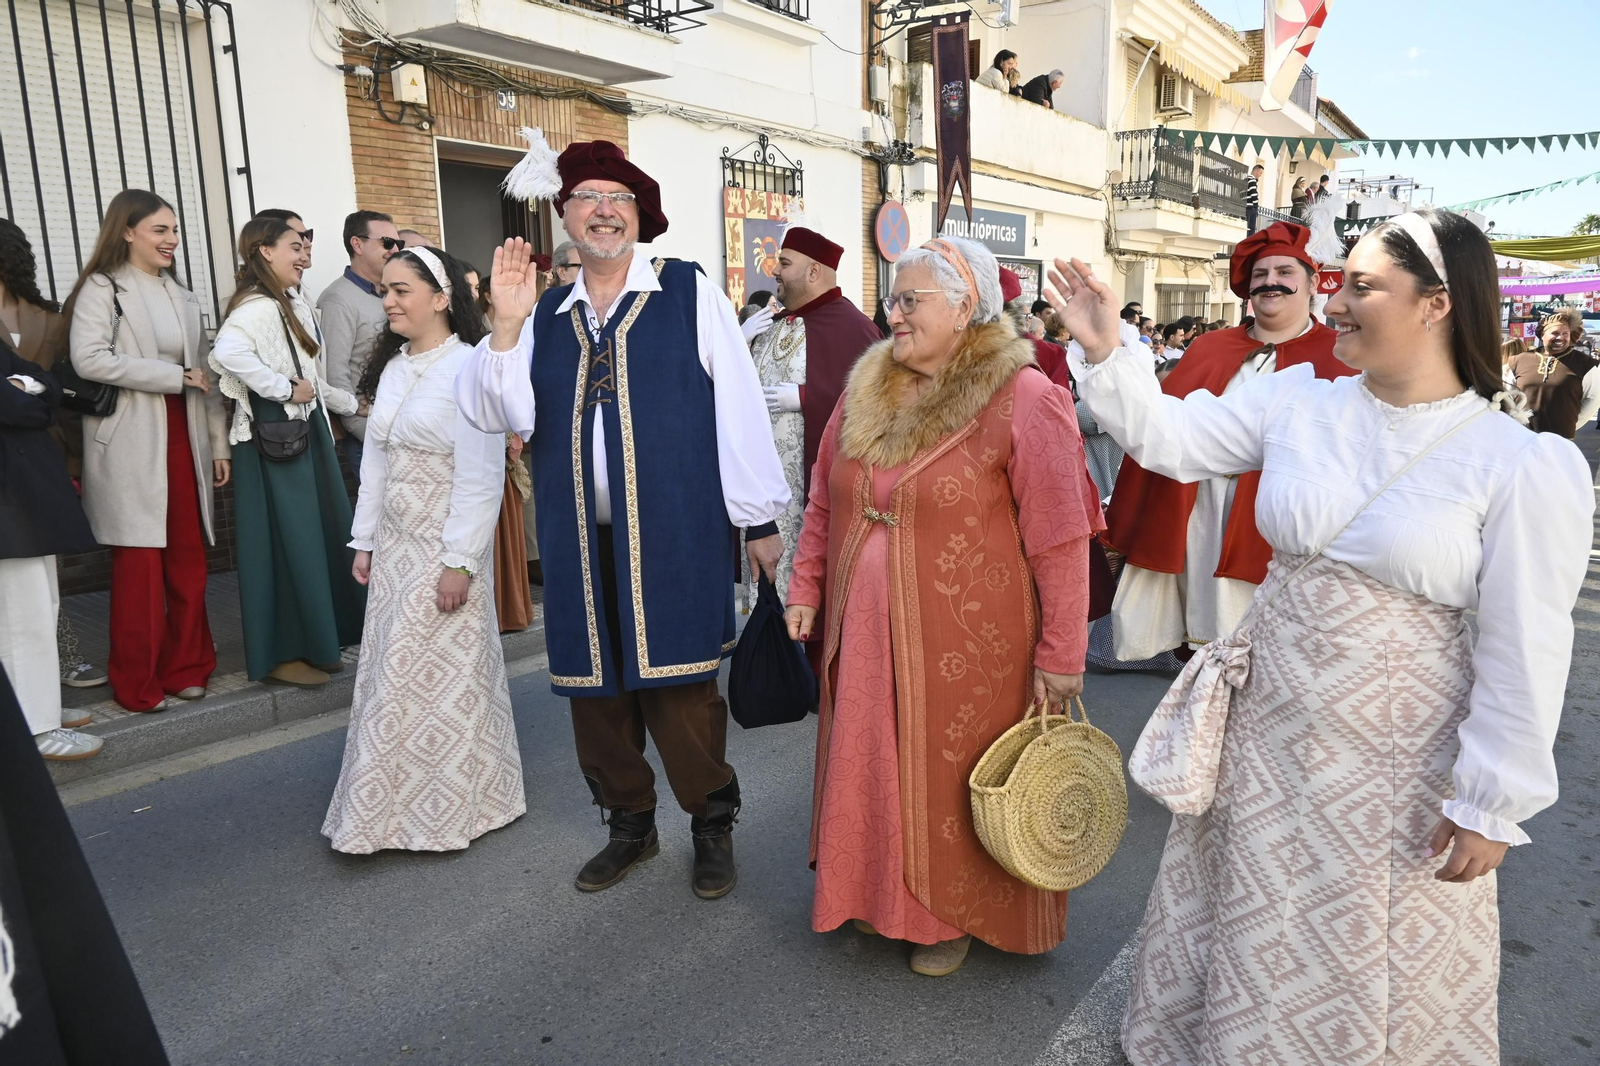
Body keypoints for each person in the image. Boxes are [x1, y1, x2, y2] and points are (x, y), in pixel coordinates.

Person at [1049, 208, 1593, 1066]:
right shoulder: (1298, 402)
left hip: (1400, 772)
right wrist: (1107, 347)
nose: (1334, 303)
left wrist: (1492, 799)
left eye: (1363, 285)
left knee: (1365, 950)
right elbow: (1172, 440)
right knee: (1247, 923)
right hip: (1266, 740)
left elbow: (1525, 647)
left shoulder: (1518, 463)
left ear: (1437, 303)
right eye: (1336, 283)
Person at [460, 135, 789, 899]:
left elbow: (738, 408)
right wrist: (504, 327)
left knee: (681, 692)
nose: (604, 212)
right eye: (589, 199)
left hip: (676, 533)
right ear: (564, 217)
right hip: (579, 543)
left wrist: (760, 522)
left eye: (620, 201)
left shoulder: (688, 291)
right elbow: (491, 410)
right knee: (596, 695)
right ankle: (630, 826)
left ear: (639, 218)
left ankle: (710, 825)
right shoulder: (543, 312)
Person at [783, 236, 1103, 977]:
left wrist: (1062, 655)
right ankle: (874, 893)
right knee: (875, 762)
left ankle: (947, 915)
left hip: (969, 640)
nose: (892, 315)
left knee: (944, 776)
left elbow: (1061, 540)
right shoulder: (869, 384)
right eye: (892, 300)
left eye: (908, 300)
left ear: (965, 308)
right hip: (863, 629)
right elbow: (825, 499)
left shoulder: (1026, 396)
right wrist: (805, 585)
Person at [322, 246, 524, 853]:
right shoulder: (393, 369)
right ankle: (383, 810)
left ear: (440, 298)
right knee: (388, 674)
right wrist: (365, 539)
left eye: (400, 290)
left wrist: (460, 561)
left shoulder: (473, 366)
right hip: (397, 546)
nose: (387, 301)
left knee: (445, 682)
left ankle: (460, 806)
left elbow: (482, 475)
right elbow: (378, 460)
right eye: (384, 290)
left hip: (445, 546)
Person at [1099, 221, 1352, 665]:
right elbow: (1160, 426)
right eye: (1259, 274)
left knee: (1272, 652)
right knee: (1206, 647)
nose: (1270, 281)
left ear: (1312, 282)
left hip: (1276, 523)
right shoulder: (1210, 347)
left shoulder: (1341, 354)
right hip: (1198, 510)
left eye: (1284, 272)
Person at [66, 189, 230, 713]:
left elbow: (205, 376)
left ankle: (187, 669)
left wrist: (218, 443)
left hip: (186, 439)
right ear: (127, 231)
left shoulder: (182, 294)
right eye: (160, 230)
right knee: (138, 568)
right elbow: (88, 358)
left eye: (175, 230)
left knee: (188, 562)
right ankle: (137, 684)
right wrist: (169, 376)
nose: (171, 240)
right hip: (130, 442)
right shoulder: (101, 287)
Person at [210, 217, 366, 687]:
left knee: (311, 539)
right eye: (294, 247)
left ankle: (316, 644)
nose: (304, 255)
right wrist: (280, 389)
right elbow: (228, 352)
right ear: (264, 251)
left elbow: (311, 379)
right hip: (275, 439)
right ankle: (284, 653)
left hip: (299, 432)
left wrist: (346, 403)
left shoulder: (289, 301)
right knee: (284, 542)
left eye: (305, 246)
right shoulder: (258, 307)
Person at [745, 215, 880, 619]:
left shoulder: (853, 327)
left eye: (784, 263)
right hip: (766, 501)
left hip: (812, 500)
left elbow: (874, 404)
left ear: (815, 270)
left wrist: (807, 397)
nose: (774, 270)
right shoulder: (773, 326)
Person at [0, 218, 108, 691]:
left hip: (50, 445)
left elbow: (60, 388)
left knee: (45, 569)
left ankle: (61, 658)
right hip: (8, 453)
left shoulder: (47, 315)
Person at [0, 336, 102, 759]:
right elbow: (18, 406)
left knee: (41, 606)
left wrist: (28, 386)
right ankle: (35, 727)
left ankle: (40, 709)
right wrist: (26, 392)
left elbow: (46, 383)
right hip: (9, 496)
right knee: (21, 615)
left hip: (20, 489)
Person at [317, 210, 401, 482]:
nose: (395, 250)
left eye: (400, 244)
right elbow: (334, 374)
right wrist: (368, 432)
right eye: (387, 242)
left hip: (401, 430)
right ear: (357, 244)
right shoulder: (338, 300)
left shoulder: (389, 294)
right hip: (371, 439)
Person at [1503, 308, 1599, 437]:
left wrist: (1570, 424)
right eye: (1555, 333)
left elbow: (1593, 400)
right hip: (1521, 436)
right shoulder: (1519, 360)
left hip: (1560, 438)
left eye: (1565, 333)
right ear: (1543, 334)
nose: (1560, 337)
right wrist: (1514, 421)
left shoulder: (1585, 364)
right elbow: (1507, 394)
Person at [1244, 162, 1263, 233]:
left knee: (1246, 228)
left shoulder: (1245, 179)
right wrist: (1256, 205)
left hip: (1245, 207)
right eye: (1260, 173)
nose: (1260, 175)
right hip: (1250, 208)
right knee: (1251, 229)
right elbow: (1254, 194)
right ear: (1255, 171)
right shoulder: (1252, 180)